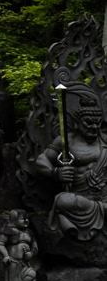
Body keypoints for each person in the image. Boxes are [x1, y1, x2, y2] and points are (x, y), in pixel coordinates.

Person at [35, 95, 107, 237]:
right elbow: (41, 161)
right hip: (80, 196)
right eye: (88, 122)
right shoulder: (66, 142)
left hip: (105, 195)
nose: (94, 127)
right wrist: (55, 172)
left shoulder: (105, 140)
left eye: (97, 123)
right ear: (76, 123)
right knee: (63, 201)